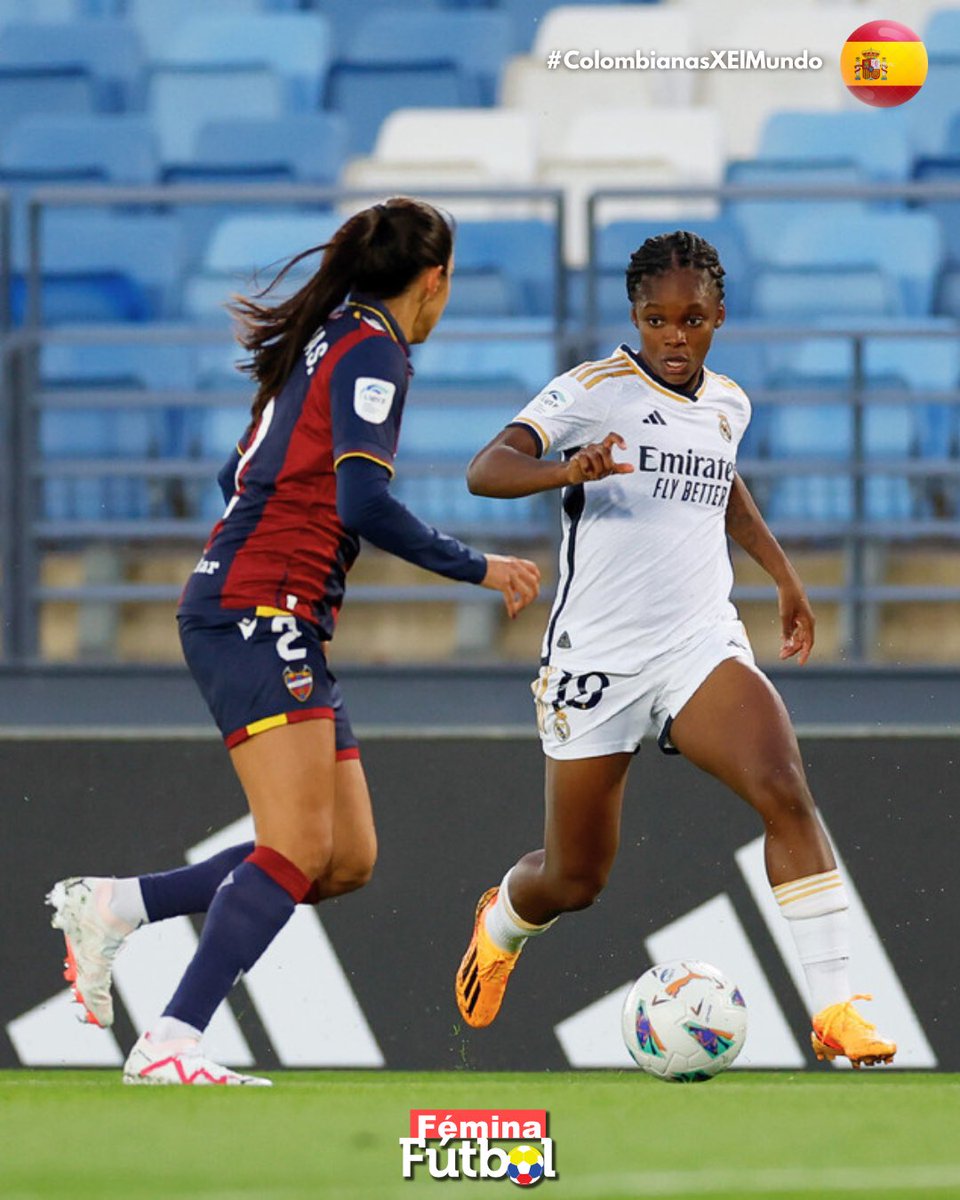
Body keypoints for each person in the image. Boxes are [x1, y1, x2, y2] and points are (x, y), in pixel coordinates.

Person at [46, 197, 541, 1086]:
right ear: (434, 281)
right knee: (295, 848)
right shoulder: (374, 350)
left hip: (272, 607)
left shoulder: (326, 338)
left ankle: (118, 906)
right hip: (257, 609)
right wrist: (479, 566)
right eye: (449, 284)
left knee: (345, 857)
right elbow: (363, 504)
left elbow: (237, 469)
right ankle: (172, 1040)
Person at [454, 230, 896, 1069]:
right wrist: (565, 472)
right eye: (658, 319)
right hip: (597, 661)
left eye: (692, 318)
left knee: (783, 787)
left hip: (698, 642)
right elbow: (485, 468)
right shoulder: (594, 391)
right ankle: (504, 918)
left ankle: (836, 1007)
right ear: (636, 317)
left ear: (718, 315)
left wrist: (782, 576)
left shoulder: (729, 402)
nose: (675, 335)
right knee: (575, 880)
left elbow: (720, 482)